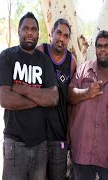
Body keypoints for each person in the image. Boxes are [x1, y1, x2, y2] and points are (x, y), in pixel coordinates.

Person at [0, 12, 59, 180]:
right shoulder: (7, 57)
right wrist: (40, 99)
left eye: (34, 29)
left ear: (39, 33)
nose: (30, 32)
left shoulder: (44, 60)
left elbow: (53, 98)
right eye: (26, 28)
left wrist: (22, 89)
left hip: (40, 145)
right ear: (19, 31)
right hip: (14, 144)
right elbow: (5, 100)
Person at [67, 30, 108, 180]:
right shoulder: (84, 69)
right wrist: (86, 92)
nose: (102, 49)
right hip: (82, 150)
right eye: (99, 46)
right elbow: (69, 95)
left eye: (106, 46)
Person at [36, 18, 77, 180]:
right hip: (37, 134)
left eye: (66, 36)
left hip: (59, 134)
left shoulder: (71, 61)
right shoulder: (40, 51)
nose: (61, 38)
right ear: (51, 33)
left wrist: (69, 129)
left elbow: (71, 98)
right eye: (58, 33)